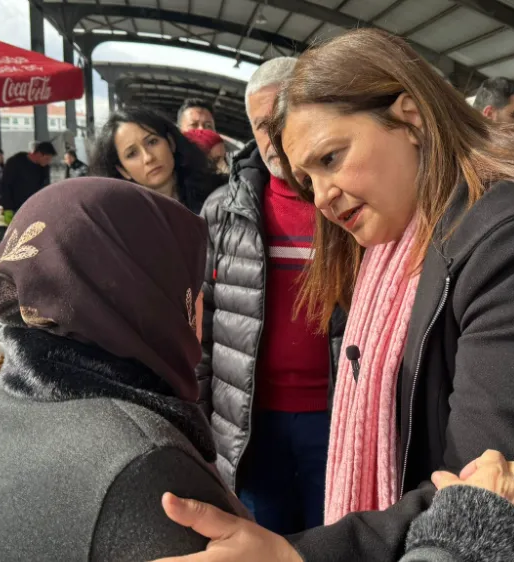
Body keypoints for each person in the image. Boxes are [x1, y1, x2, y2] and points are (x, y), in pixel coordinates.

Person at [165, 29, 514, 561]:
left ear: (411, 118)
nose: (321, 197)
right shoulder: (404, 242)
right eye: (307, 177)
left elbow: (486, 485)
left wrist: (296, 555)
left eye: (330, 158)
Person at [0, 178, 514, 562]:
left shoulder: (23, 400)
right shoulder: (136, 461)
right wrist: (475, 539)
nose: (198, 316)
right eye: (189, 291)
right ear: (134, 295)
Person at [196, 56, 343, 536]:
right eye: (264, 125)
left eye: (286, 120)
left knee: (331, 539)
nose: (277, 138)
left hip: (335, 418)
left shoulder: (349, 199)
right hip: (252, 424)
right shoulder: (224, 209)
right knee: (263, 538)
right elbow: (207, 320)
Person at [91, 107, 220, 214]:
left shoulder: (218, 198)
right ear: (123, 170)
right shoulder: (119, 225)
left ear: (171, 143)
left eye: (152, 142)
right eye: (132, 154)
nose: (148, 157)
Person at [1, 141, 55, 213]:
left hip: (35, 207)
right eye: (47, 159)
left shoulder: (44, 168)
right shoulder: (15, 162)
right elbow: (6, 185)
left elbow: (44, 187)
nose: (48, 162)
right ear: (39, 154)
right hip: (16, 207)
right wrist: (7, 207)